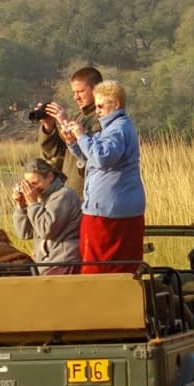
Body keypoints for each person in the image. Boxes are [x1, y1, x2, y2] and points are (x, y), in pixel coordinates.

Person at [59, 80, 146, 275]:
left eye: (100, 106)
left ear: (116, 104)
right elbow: (90, 158)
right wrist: (73, 143)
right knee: (122, 267)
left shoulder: (118, 129)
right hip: (117, 208)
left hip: (108, 213)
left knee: (96, 267)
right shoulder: (113, 128)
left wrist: (81, 135)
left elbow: (102, 158)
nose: (97, 111)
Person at [38, 66, 103, 200]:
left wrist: (64, 122)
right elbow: (53, 153)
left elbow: (92, 152)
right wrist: (48, 127)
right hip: (70, 192)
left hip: (91, 193)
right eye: (74, 92)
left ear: (97, 90)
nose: (76, 97)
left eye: (81, 91)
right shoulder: (77, 118)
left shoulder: (104, 119)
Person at [11, 158, 81, 274]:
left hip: (64, 262)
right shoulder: (40, 198)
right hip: (48, 264)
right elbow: (24, 233)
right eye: (27, 184)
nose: (31, 189)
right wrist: (21, 206)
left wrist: (33, 204)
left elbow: (46, 230)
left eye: (35, 183)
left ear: (50, 177)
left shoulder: (63, 196)